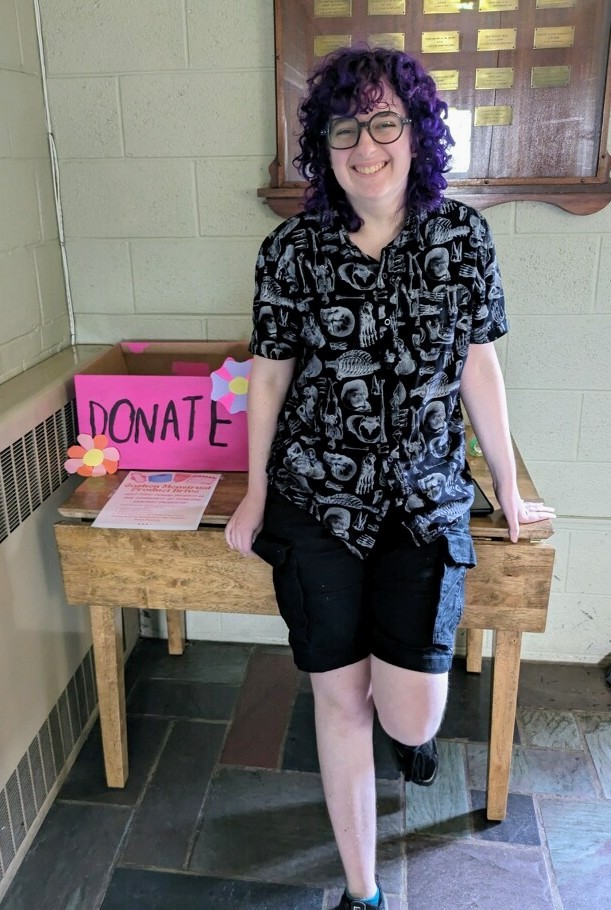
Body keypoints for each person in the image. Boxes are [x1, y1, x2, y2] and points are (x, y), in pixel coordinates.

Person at [225, 46, 555, 910]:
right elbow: (269, 373)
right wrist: (256, 490)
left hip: (423, 497)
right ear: (323, 143)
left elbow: (479, 364)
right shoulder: (290, 249)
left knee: (410, 715)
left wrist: (507, 487)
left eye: (383, 124)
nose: (364, 146)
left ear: (415, 134)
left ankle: (407, 728)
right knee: (340, 702)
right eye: (344, 128)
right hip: (315, 498)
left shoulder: (461, 236)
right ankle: (363, 890)